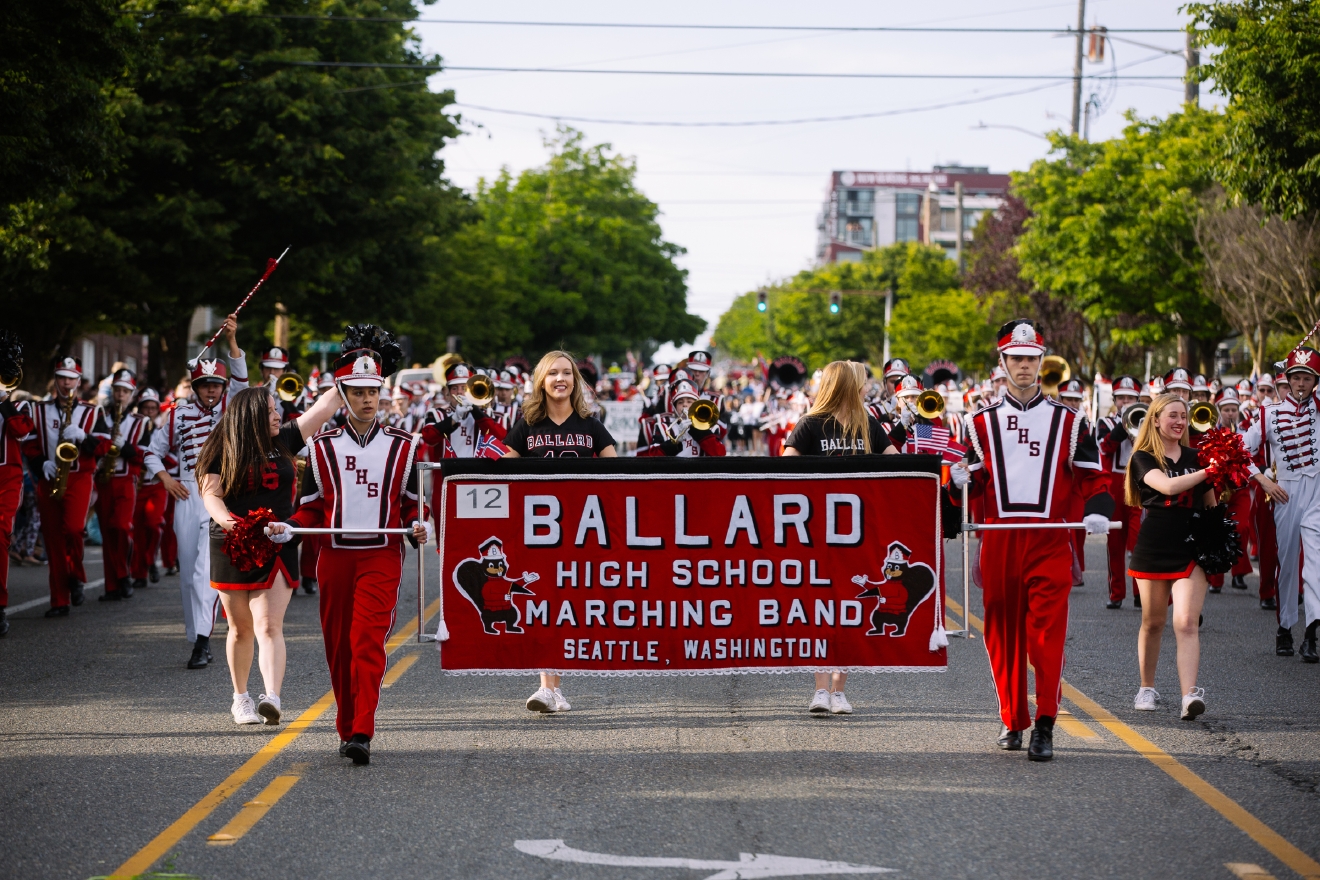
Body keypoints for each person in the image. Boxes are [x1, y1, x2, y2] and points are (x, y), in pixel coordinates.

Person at [950, 321, 1112, 762]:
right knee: (1002, 636)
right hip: (1000, 539)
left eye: (1031, 359)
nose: (1023, 366)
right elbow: (972, 484)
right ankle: (1012, 718)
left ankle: (1045, 723)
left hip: (1049, 538)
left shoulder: (1072, 420)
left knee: (1045, 635)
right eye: (1015, 359)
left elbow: (1093, 476)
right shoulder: (977, 422)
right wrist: (958, 481)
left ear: (1041, 363)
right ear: (1002, 364)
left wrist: (1099, 510)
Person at [269, 326, 428, 764]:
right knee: (338, 646)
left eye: (373, 390)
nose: (367, 399)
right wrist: (288, 526)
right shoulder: (319, 448)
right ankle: (347, 725)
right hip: (334, 557)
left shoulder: (405, 446)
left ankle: (363, 730)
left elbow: (414, 508)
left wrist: (418, 526)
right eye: (357, 391)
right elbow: (310, 510)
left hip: (381, 555)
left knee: (365, 641)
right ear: (342, 392)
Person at [198, 382, 343, 726]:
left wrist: (357, 367)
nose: (278, 416)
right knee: (240, 628)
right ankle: (240, 698)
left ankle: (272, 698)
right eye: (269, 411)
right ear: (249, 416)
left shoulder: (286, 439)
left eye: (277, 409)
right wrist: (231, 523)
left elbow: (324, 408)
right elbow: (211, 495)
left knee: (268, 624)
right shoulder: (222, 445)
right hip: (231, 542)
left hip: (277, 541)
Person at [503, 350, 618, 714]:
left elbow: (618, 475)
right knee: (541, 604)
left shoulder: (591, 424)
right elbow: (501, 476)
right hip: (536, 534)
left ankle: (554, 687)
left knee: (564, 607)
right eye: (552, 373)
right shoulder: (526, 425)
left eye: (566, 373)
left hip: (581, 532)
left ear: (575, 381)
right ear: (541, 380)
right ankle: (547, 688)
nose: (560, 379)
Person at [782, 360, 898, 715]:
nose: (867, 388)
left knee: (852, 610)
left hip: (860, 534)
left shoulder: (869, 425)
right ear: (847, 385)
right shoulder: (810, 424)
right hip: (817, 532)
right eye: (862, 383)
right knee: (821, 610)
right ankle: (819, 690)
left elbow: (898, 466)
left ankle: (839, 689)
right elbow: (783, 467)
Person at [142, 314, 249, 668]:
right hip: (187, 491)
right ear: (195, 385)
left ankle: (202, 641)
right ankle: (197, 636)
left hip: (219, 494)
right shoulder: (177, 414)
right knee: (189, 572)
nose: (213, 390)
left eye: (217, 384)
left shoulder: (231, 410)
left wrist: (232, 341)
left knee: (205, 570)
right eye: (206, 385)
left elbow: (242, 380)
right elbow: (151, 452)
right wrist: (166, 479)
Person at [1126, 394, 1220, 720]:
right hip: (1153, 548)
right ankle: (1146, 686)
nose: (1180, 422)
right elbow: (1166, 487)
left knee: (1186, 622)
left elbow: (1210, 504)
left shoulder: (1198, 456)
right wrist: (1210, 469)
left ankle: (1189, 696)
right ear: (1155, 420)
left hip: (1190, 549)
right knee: (1153, 623)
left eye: (1184, 416)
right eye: (1172, 416)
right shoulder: (1142, 457)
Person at [1245, 347, 1320, 660]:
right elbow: (1239, 451)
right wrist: (1263, 479)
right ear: (1287, 380)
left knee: (1315, 564)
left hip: (1316, 493)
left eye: (1307, 378)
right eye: (1296, 377)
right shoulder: (1269, 413)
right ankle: (1286, 627)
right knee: (1287, 565)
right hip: (1285, 493)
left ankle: (1313, 632)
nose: (1301, 383)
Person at [23, 356, 106, 616]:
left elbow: (105, 447)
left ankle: (76, 575)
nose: (66, 383)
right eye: (62, 377)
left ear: (79, 382)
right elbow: (30, 444)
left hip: (79, 477)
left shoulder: (92, 412)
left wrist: (84, 437)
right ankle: (59, 601)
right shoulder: (38, 410)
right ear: (55, 380)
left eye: (71, 378)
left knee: (73, 529)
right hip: (49, 477)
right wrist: (41, 465)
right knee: (53, 540)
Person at [92, 369, 153, 601]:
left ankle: (124, 574)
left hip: (127, 480)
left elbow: (144, 455)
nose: (120, 396)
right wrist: (105, 444)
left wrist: (123, 445)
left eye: (125, 392)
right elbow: (93, 447)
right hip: (103, 479)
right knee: (107, 533)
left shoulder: (142, 422)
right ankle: (112, 586)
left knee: (120, 526)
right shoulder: (100, 417)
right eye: (117, 391)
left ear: (132, 395)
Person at [1097, 376, 1144, 609]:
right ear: (1115, 400)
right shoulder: (1105, 421)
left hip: (1138, 482)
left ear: (1137, 399)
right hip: (1115, 484)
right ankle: (1116, 593)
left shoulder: (1147, 420)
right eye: (1121, 398)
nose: (1125, 401)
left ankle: (1139, 592)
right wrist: (1125, 424)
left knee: (1138, 541)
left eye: (1130, 398)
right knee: (1114, 542)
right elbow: (1105, 447)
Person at [1206, 388, 1255, 594]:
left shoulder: (1247, 432)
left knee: (1242, 527)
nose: (1230, 413)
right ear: (1219, 411)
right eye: (1226, 409)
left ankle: (1239, 573)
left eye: (1234, 409)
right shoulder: (1209, 433)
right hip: (1217, 489)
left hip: (1240, 489)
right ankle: (1215, 579)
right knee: (1216, 529)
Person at [0, 342, 35, 635]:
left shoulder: (19, 403)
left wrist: (2, 400)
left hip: (7, 479)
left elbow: (22, 431)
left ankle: (0, 606)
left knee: (0, 538)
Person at [129, 389, 167, 592]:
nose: (150, 411)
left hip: (156, 485)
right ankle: (139, 574)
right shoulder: (133, 428)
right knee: (137, 531)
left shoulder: (163, 430)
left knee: (153, 524)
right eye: (146, 408)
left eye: (153, 408)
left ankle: (150, 559)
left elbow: (172, 456)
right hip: (137, 485)